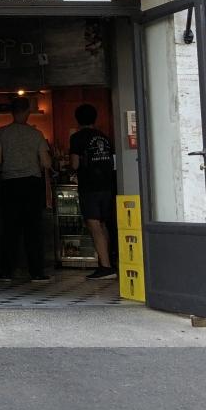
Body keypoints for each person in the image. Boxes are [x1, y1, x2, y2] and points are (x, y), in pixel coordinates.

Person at [0, 96, 52, 283]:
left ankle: (6, 272)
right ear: (27, 112)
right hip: (31, 185)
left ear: (12, 112)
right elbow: (46, 162)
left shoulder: (2, 133)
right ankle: (37, 272)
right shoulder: (36, 134)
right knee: (33, 229)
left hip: (10, 184)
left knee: (10, 229)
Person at [68, 103, 118, 280]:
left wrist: (70, 170)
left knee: (94, 224)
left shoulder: (77, 137)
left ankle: (105, 267)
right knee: (103, 224)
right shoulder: (104, 137)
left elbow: (74, 164)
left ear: (77, 120)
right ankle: (108, 262)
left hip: (90, 186)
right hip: (108, 185)